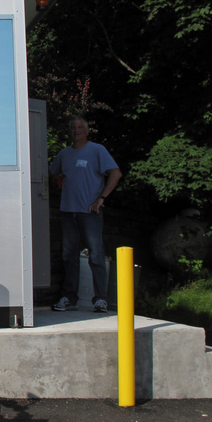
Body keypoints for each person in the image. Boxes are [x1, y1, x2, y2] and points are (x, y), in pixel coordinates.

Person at [49, 116, 122, 313]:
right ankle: (69, 298)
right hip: (68, 211)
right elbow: (53, 171)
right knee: (69, 256)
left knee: (96, 255)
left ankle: (100, 299)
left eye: (80, 127)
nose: (76, 130)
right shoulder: (64, 154)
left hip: (90, 212)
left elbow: (116, 173)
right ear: (70, 131)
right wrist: (57, 178)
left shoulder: (97, 150)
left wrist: (102, 198)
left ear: (87, 130)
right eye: (73, 127)